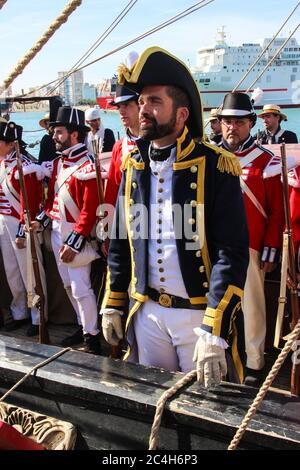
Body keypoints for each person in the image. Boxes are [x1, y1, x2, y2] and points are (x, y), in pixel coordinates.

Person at [100, 47, 249, 388]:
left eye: (154, 102)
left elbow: (231, 251)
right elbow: (123, 242)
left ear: (181, 115)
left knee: (206, 413)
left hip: (198, 317)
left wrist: (214, 330)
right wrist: (114, 301)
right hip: (147, 312)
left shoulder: (215, 165)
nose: (143, 110)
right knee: (154, 404)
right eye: (141, 102)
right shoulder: (133, 165)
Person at [218, 92, 285, 386]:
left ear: (250, 123)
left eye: (239, 122)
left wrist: (271, 248)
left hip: (251, 245)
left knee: (253, 306)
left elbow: (277, 211)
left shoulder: (266, 161)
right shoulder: (211, 158)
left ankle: (255, 361)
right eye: (227, 122)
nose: (233, 127)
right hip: (215, 245)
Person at [31, 106, 102, 354]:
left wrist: (74, 243)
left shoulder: (87, 164)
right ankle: (83, 325)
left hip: (77, 236)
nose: (54, 137)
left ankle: (92, 337)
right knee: (69, 287)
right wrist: (41, 220)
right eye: (54, 132)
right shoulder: (60, 163)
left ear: (74, 135)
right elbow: (52, 202)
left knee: (82, 288)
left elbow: (89, 209)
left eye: (59, 132)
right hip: (58, 232)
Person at [0, 121, 46, 336]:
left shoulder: (24, 167)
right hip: (4, 223)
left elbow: (32, 204)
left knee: (30, 274)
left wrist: (21, 231)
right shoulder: (2, 164)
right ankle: (19, 312)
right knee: (12, 272)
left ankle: (38, 316)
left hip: (20, 224)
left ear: (10, 144)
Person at [105, 83, 140, 209]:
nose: (121, 111)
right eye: (119, 107)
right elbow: (112, 188)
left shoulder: (158, 143)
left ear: (140, 106)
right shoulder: (119, 146)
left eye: (126, 105)